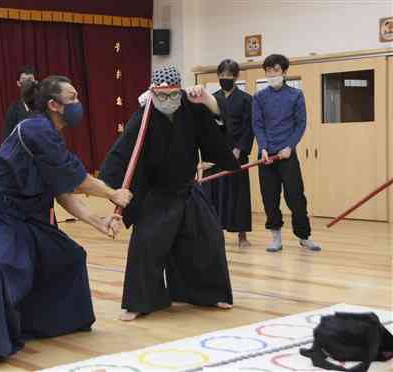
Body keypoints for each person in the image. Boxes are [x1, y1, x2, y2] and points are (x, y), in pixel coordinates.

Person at [0, 75, 132, 361]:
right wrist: (113, 194)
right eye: (72, 98)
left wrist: (95, 221)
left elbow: (59, 188)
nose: (78, 104)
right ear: (54, 104)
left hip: (26, 216)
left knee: (68, 256)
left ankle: (46, 324)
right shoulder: (35, 129)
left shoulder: (49, 133)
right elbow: (76, 179)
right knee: (1, 267)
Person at [99, 65, 240, 321]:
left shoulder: (192, 109)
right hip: (157, 195)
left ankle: (210, 293)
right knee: (147, 245)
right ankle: (141, 302)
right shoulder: (143, 117)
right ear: (152, 92)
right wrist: (113, 189)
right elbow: (121, 154)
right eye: (161, 96)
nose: (167, 101)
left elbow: (217, 133)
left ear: (180, 91)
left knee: (208, 240)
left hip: (187, 190)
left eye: (172, 95)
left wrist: (210, 103)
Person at [252, 54, 321, 252]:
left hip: (287, 155)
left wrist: (289, 146)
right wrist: (263, 148)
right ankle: (275, 238)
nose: (271, 74)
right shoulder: (259, 97)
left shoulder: (296, 95)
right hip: (266, 157)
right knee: (269, 198)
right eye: (268, 71)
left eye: (275, 70)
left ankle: (304, 236)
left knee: (296, 197)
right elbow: (257, 125)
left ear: (283, 72)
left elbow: (300, 124)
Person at [199, 59, 254, 247]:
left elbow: (249, 127)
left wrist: (239, 149)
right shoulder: (211, 99)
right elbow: (205, 129)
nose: (225, 78)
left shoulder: (247, 99)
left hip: (237, 154)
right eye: (222, 76)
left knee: (237, 195)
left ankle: (242, 235)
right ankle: (212, 234)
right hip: (215, 154)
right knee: (211, 195)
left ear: (236, 77)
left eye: (229, 76)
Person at [1, 65, 37, 142]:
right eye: (24, 79)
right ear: (18, 83)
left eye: (30, 79)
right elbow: (7, 137)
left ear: (35, 82)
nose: (27, 82)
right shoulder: (14, 109)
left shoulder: (43, 105)